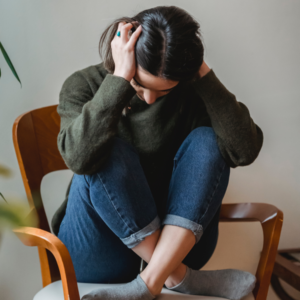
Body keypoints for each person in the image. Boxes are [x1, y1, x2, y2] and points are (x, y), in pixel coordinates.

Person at [53, 5, 264, 300]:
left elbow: (244, 151)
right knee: (105, 151)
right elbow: (79, 158)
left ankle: (148, 282)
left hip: (179, 241)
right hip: (97, 249)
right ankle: (178, 276)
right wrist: (119, 81)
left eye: (163, 91)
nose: (150, 98)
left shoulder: (191, 90)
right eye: (140, 84)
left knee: (208, 141)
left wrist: (203, 75)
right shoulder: (84, 85)